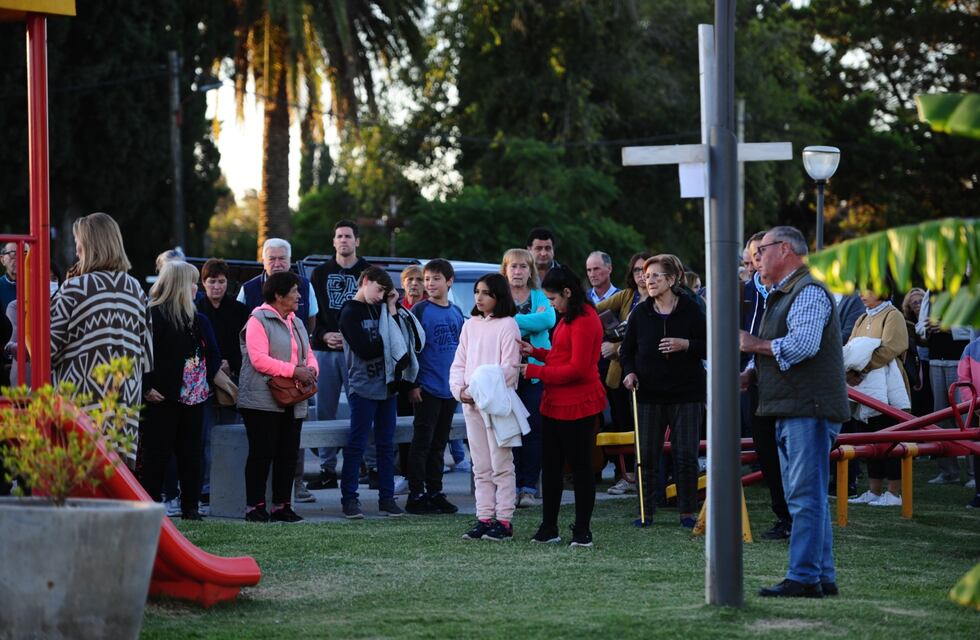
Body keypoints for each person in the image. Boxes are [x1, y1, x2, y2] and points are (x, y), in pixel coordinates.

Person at [739, 225, 849, 598]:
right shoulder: (785, 292)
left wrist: (754, 344)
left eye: (761, 251)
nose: (755, 260)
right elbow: (790, 347)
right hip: (795, 406)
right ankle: (823, 576)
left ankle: (803, 577)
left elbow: (803, 345)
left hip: (809, 407)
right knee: (809, 494)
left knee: (804, 496)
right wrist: (752, 372)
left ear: (784, 249)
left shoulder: (809, 290)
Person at [50, 213, 153, 467]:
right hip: (124, 405)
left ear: (90, 245)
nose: (76, 248)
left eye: (78, 241)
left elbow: (48, 346)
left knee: (76, 484)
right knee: (114, 485)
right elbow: (147, 355)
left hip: (82, 404)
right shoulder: (136, 289)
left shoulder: (75, 288)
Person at [520, 265, 605, 548]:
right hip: (555, 403)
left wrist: (535, 371)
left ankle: (582, 531)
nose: (552, 305)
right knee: (551, 467)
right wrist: (537, 353)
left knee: (580, 469)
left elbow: (577, 369)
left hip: (578, 404)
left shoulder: (585, 319)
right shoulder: (567, 317)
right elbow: (560, 355)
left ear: (567, 293)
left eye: (553, 299)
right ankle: (549, 527)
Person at [620, 254, 706, 529]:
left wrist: (686, 344)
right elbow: (627, 352)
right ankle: (645, 512)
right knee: (645, 455)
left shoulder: (692, 309)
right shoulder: (640, 313)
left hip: (686, 393)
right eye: (647, 275)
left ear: (672, 279)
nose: (649, 280)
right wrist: (629, 372)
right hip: (647, 393)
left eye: (656, 275)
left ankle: (687, 512)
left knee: (685, 455)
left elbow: (710, 344)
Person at [238, 238, 319, 502]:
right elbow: (259, 360)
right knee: (262, 455)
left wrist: (311, 370)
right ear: (279, 296)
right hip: (262, 400)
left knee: (287, 454)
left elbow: (308, 351)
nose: (299, 296)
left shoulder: (295, 320)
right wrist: (296, 372)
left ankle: (282, 505)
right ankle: (255, 506)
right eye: (294, 292)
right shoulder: (257, 319)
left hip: (293, 399)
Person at [139, 261, 221, 520]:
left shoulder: (198, 318)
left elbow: (213, 354)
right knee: (157, 454)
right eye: (192, 282)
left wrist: (204, 382)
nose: (196, 287)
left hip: (194, 397)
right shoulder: (154, 314)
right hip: (162, 395)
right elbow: (141, 354)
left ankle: (190, 506)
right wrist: (146, 386)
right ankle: (150, 505)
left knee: (191, 453)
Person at [339, 266, 422, 519]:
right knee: (358, 445)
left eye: (385, 292)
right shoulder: (350, 312)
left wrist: (393, 307)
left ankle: (387, 498)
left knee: (387, 445)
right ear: (365, 281)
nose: (379, 296)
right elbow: (364, 348)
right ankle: (349, 499)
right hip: (363, 387)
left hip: (388, 387)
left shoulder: (384, 308)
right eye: (378, 289)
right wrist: (389, 343)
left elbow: (403, 340)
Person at [450, 273, 522, 541]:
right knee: (480, 465)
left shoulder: (508, 325)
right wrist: (460, 390)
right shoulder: (470, 326)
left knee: (501, 464)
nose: (479, 297)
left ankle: (503, 520)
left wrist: (477, 391)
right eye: (477, 292)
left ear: (498, 297)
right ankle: (484, 517)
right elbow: (459, 363)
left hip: (497, 407)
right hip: (472, 406)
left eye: (486, 293)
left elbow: (508, 370)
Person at [308, 220, 371, 490]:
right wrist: (322, 335)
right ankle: (326, 468)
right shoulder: (320, 274)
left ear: (357, 241)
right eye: (339, 236)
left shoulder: (369, 272)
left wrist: (350, 338)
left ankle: (364, 464)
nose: (343, 240)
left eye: (348, 236)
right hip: (325, 351)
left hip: (358, 353)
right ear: (333, 242)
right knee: (325, 410)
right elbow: (313, 314)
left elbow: (373, 311)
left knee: (362, 407)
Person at [405, 259, 465, 515]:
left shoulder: (456, 312)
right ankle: (416, 494)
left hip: (448, 388)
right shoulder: (420, 310)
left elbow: (463, 351)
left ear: (449, 282)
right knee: (422, 442)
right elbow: (409, 349)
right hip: (426, 387)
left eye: (436, 279)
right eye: (427, 279)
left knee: (440, 443)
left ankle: (435, 491)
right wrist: (413, 383)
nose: (429, 284)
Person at [844, 287, 911, 507]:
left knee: (890, 437)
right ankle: (874, 490)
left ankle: (893, 493)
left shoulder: (893, 315)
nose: (862, 294)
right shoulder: (863, 317)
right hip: (865, 387)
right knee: (868, 436)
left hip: (890, 385)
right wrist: (851, 371)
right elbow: (851, 347)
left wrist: (861, 369)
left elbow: (892, 347)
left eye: (868, 290)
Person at [501, 248, 555, 507]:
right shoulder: (499, 297)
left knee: (533, 430)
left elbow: (548, 319)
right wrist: (525, 322)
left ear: (530, 270)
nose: (518, 271)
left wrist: (513, 321)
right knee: (510, 431)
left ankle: (528, 488)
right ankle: (511, 485)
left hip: (534, 373)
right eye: (514, 266)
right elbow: (496, 324)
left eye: (523, 266)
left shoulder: (539, 295)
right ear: (505, 269)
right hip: (506, 374)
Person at [195, 258, 249, 506]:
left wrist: (230, 363)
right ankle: (205, 486)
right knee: (204, 435)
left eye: (221, 281)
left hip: (231, 379)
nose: (216, 286)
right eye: (211, 281)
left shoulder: (239, 311)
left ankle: (228, 486)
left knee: (230, 434)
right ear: (203, 283)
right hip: (201, 379)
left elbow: (245, 345)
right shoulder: (195, 309)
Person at [597, 252, 652, 495]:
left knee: (646, 427)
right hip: (621, 375)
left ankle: (647, 476)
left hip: (647, 375)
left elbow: (648, 340)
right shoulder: (628, 295)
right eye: (637, 270)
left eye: (646, 270)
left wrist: (616, 348)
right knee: (623, 424)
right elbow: (592, 310)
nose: (642, 275)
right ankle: (627, 475)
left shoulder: (660, 298)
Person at [917, 288, 974, 485]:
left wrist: (949, 327)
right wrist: (925, 328)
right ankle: (948, 471)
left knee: (966, 417)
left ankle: (974, 473)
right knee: (940, 417)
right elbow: (920, 327)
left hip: (959, 360)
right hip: (935, 360)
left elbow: (974, 327)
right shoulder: (930, 292)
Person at [955, 336, 980, 507]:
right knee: (978, 453)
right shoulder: (971, 348)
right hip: (976, 410)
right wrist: (974, 404)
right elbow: (963, 380)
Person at [0, 242, 17, 317]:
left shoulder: (38, 286)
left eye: (25, 254)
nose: (18, 258)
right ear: (2, 259)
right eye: (13, 254)